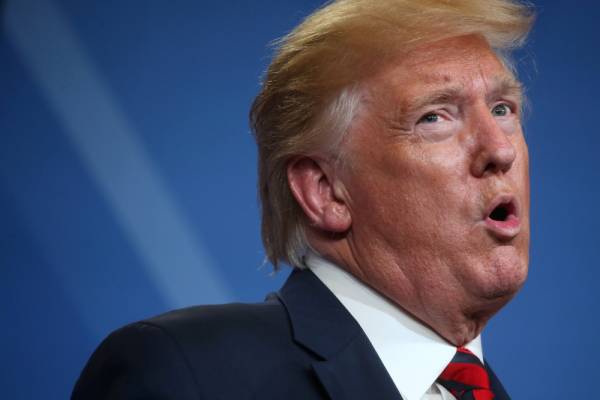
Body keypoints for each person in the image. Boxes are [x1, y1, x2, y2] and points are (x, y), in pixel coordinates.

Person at [72, 1, 534, 399]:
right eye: (434, 117)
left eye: (502, 109)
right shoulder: (186, 375)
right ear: (326, 191)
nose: (500, 149)